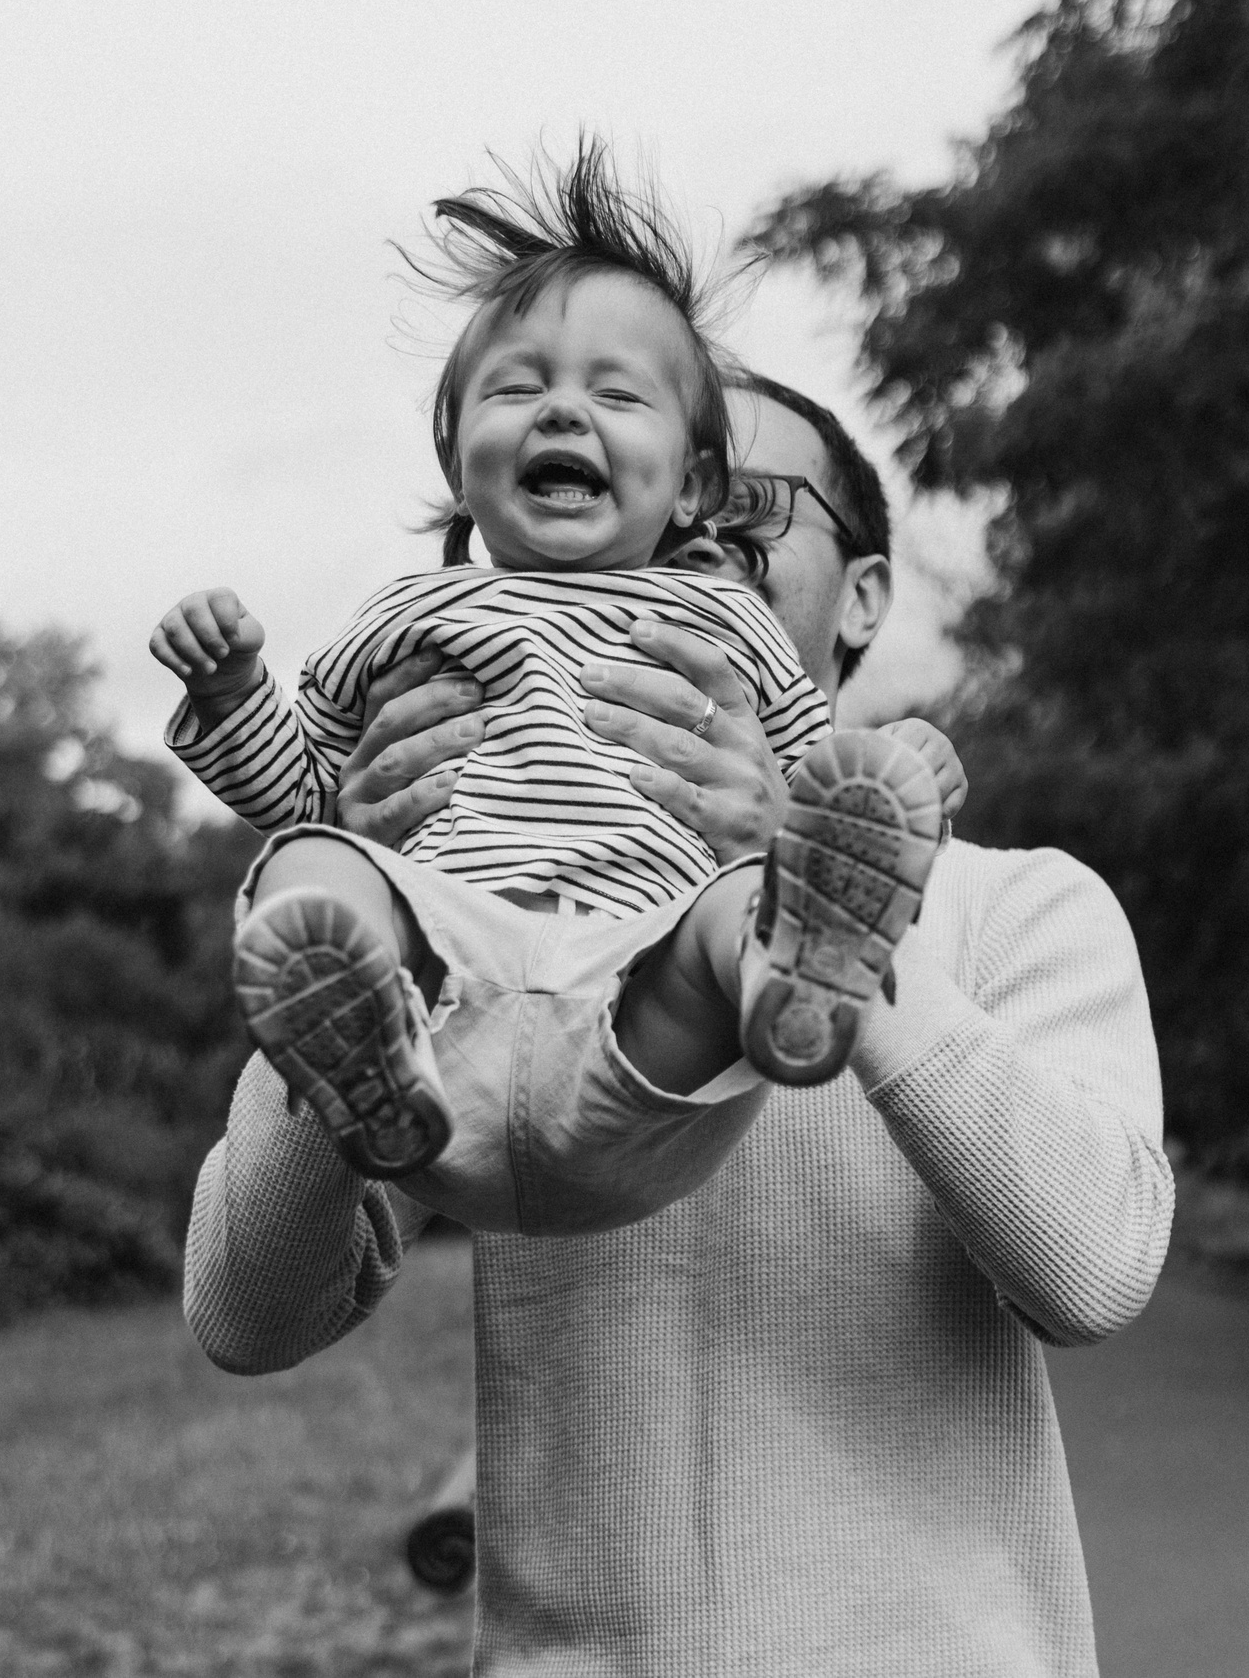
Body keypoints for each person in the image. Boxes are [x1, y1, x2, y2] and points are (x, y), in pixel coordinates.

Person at [184, 369, 1176, 1677]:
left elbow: (1094, 1268)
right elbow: (248, 1316)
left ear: (866, 592)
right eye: (679, 520)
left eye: (748, 512)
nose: (697, 549)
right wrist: (389, 914)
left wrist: (811, 903)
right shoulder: (505, 916)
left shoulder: (1017, 906)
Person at [151, 144, 948, 1235]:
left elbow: (819, 809)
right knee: (308, 859)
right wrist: (234, 691)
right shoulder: (407, 616)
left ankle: (785, 989)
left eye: (615, 393)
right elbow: (297, 791)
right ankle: (345, 1014)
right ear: (456, 462)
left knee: (737, 904)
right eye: (518, 386)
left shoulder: (728, 629)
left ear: (693, 486)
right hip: (435, 1021)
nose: (562, 412)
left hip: (642, 1014)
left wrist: (902, 775)